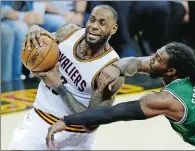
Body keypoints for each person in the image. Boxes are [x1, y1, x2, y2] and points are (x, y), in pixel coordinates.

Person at [47, 42, 195, 150]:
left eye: (157, 59)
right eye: (156, 54)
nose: (151, 60)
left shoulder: (165, 100)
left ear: (171, 71)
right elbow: (137, 62)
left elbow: (114, 113)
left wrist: (67, 120)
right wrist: (116, 68)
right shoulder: (191, 73)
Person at [8, 5, 124, 150]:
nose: (94, 26)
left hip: (75, 137)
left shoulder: (111, 70)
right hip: (38, 123)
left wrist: (59, 86)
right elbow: (42, 45)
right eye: (92, 20)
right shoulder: (69, 33)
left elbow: (91, 123)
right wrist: (35, 31)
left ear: (113, 29)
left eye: (102, 22)